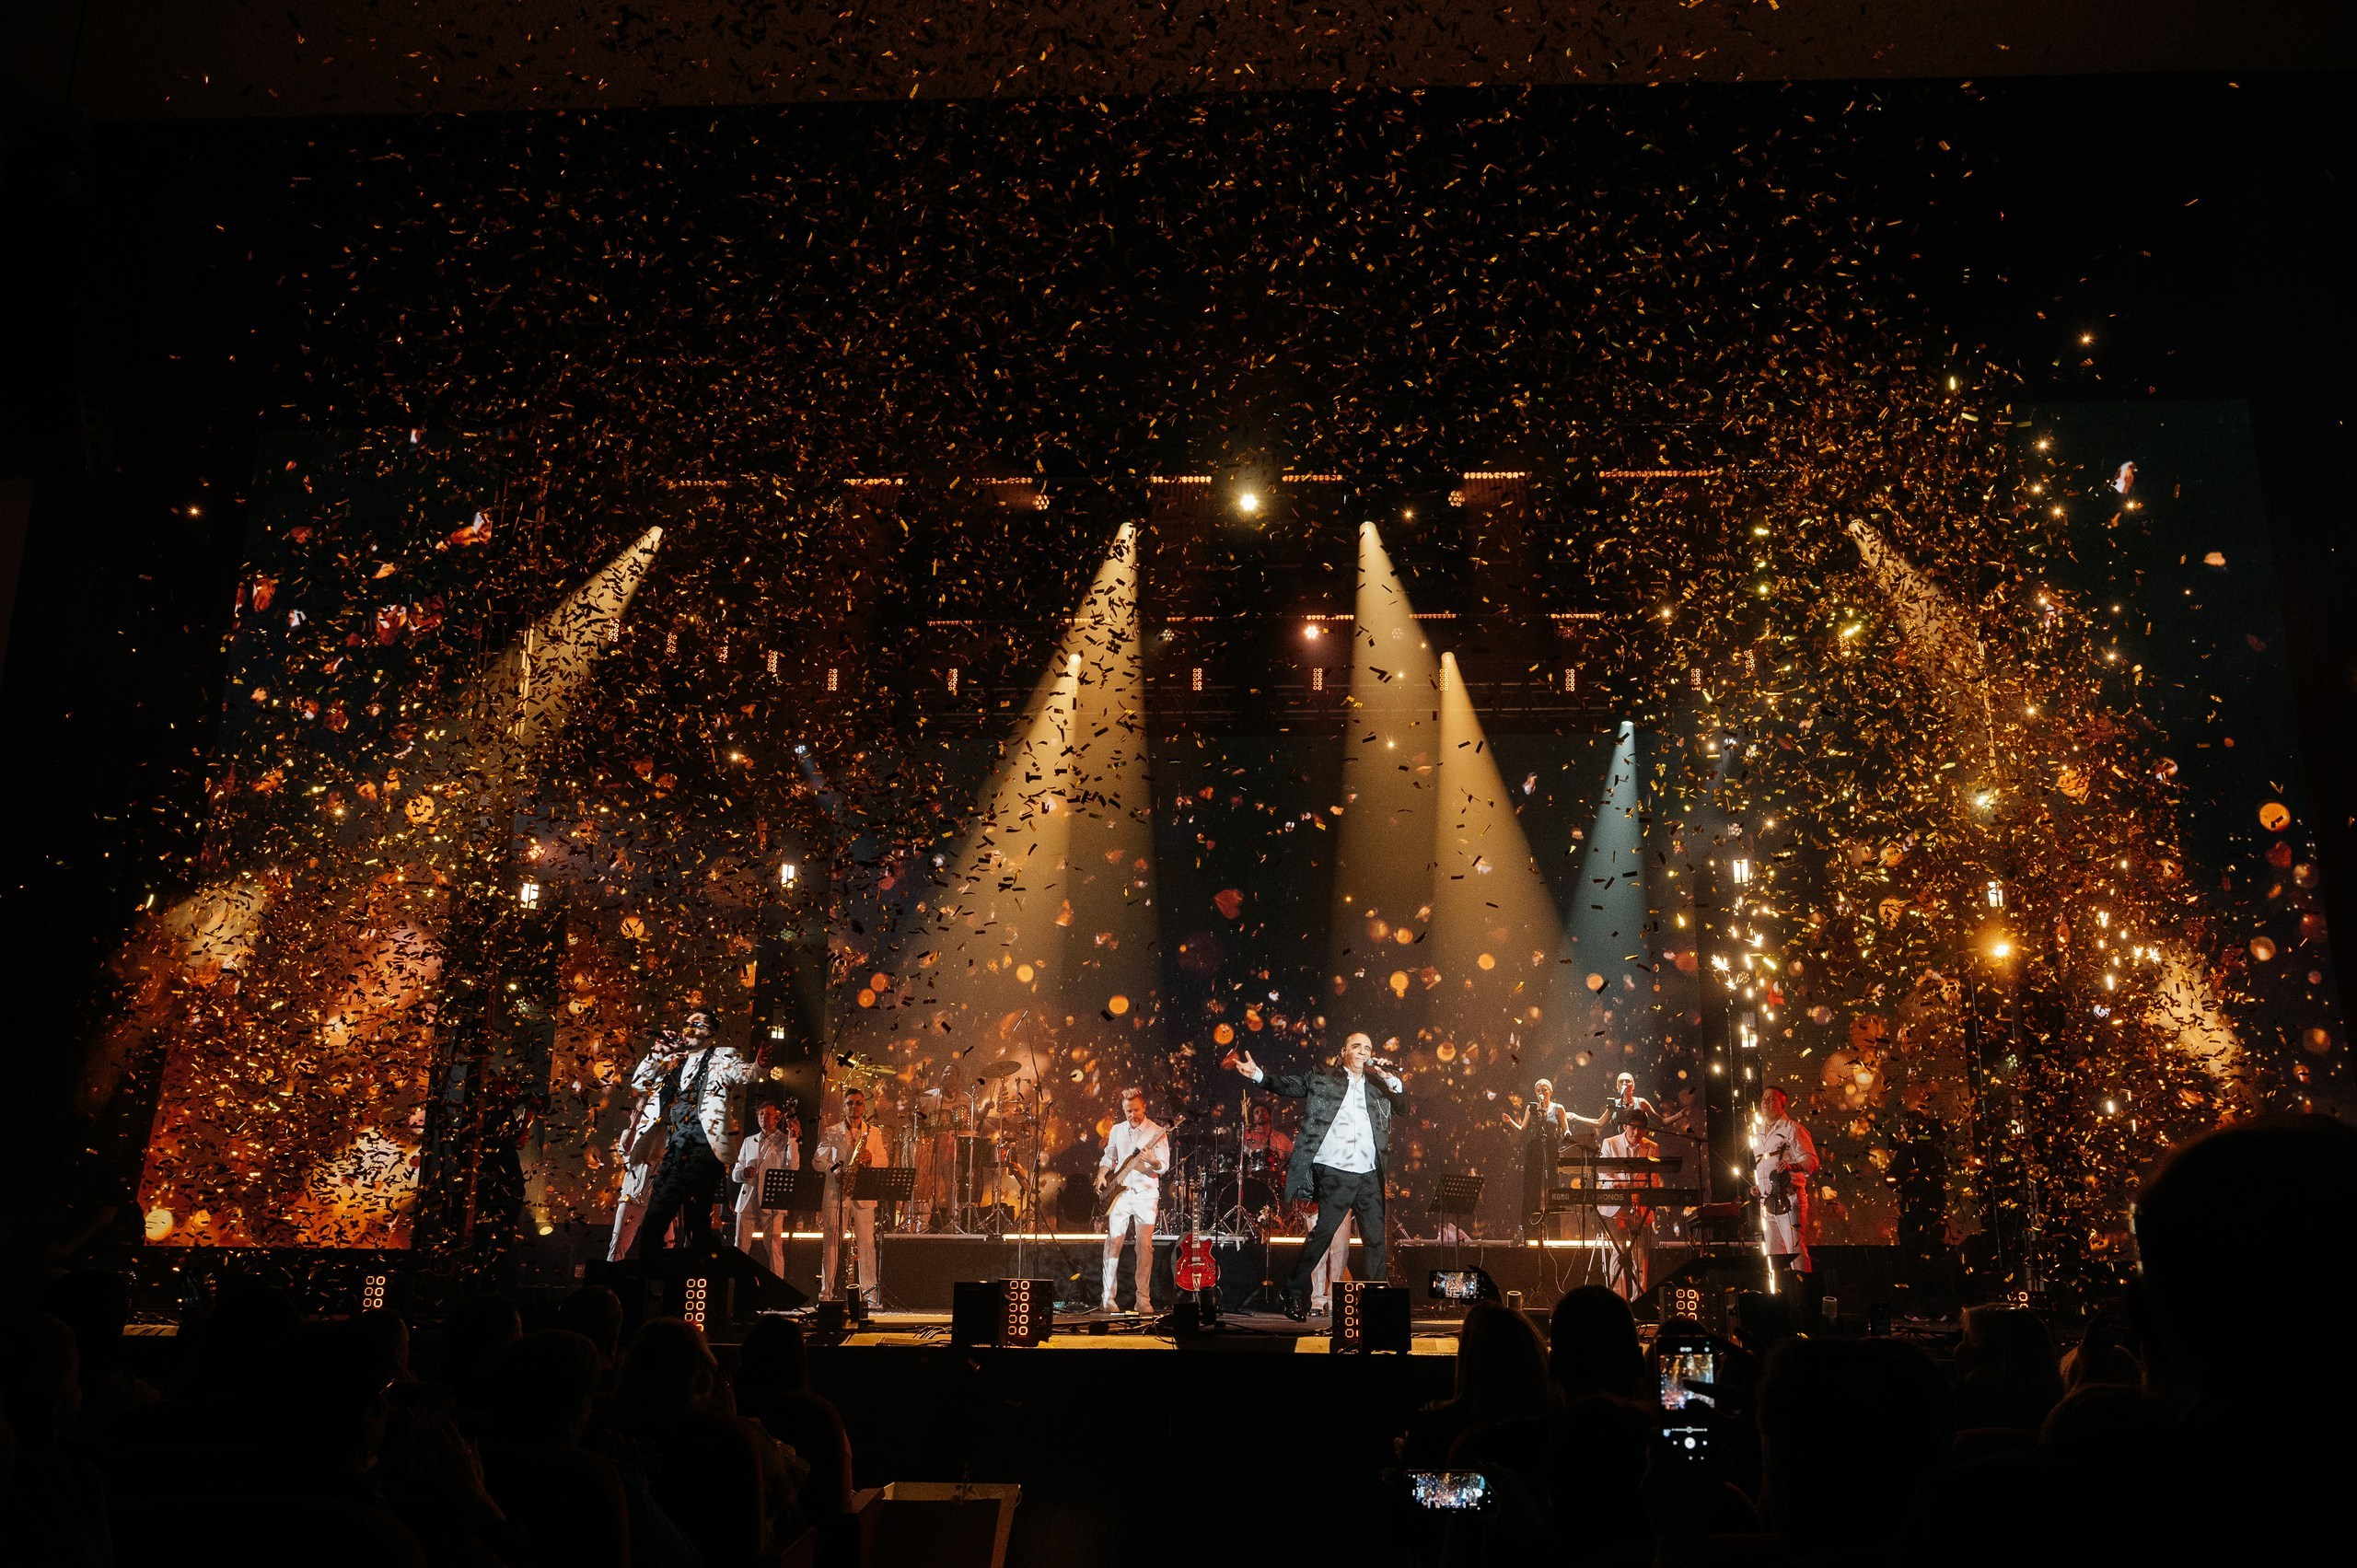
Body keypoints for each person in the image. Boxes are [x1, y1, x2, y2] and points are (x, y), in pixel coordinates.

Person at [1228, 1030, 1406, 1319]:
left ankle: (1377, 1306)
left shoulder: (1377, 1084)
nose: (1363, 1051)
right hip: (1336, 1171)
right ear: (1344, 1051)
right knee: (1323, 1235)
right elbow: (1289, 1085)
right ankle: (1294, 1289)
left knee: (1375, 1241)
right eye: (1356, 1046)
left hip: (1369, 1173)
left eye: (1368, 1047)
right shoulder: (1323, 1077)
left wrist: (1390, 1079)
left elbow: (1403, 1107)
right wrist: (1259, 1075)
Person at [630, 1011, 762, 1260]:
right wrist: (659, 1050)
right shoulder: (673, 1060)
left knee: (696, 1225)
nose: (689, 1028)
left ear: (710, 1033)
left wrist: (759, 1065)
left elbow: (746, 1073)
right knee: (654, 1220)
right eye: (686, 1023)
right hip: (675, 1150)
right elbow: (639, 1084)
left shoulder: (722, 1056)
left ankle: (711, 1282)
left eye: (697, 1024)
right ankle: (647, 1286)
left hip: (704, 1150)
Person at [1095, 1087, 1168, 1313]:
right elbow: (1110, 1156)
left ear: (1144, 1107)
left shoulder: (1157, 1131)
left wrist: (1153, 1161)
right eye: (1128, 1111)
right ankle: (1107, 1298)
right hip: (1120, 1193)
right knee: (1113, 1242)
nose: (1132, 1114)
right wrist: (1101, 1174)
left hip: (1145, 1194)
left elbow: (1163, 1166)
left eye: (1136, 1109)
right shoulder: (1117, 1130)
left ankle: (1142, 1299)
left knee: (1144, 1247)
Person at [814, 1086, 889, 1306]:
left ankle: (870, 1297)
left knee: (867, 1245)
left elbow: (884, 1161)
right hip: (836, 1194)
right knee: (831, 1244)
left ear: (864, 1107)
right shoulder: (831, 1131)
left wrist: (871, 1157)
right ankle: (826, 1295)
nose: (854, 1107)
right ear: (843, 1107)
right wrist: (834, 1169)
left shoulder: (873, 1132)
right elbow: (817, 1161)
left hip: (864, 1195)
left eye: (858, 1103)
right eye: (850, 1103)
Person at [1596, 1105, 1662, 1300]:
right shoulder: (1610, 1143)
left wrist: (1643, 1193)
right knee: (1618, 1254)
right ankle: (1618, 1302)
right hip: (1616, 1207)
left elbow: (1654, 1179)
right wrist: (1613, 1183)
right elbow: (1602, 1173)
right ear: (1625, 1127)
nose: (1636, 1132)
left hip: (1640, 1208)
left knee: (1640, 1257)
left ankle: (1638, 1302)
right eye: (1633, 1128)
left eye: (1641, 1129)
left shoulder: (1652, 1147)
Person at [1750, 1085, 1817, 1275]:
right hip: (1767, 1202)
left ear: (1783, 1104)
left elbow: (1811, 1161)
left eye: (1771, 1099)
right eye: (1764, 1098)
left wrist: (1791, 1167)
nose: (1765, 1102)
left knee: (1795, 1250)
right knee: (1773, 1255)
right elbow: (1764, 1166)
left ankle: (1803, 1293)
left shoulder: (1793, 1129)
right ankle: (1780, 1295)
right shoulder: (1758, 1134)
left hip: (1790, 1198)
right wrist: (1759, 1186)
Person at [730, 1101, 801, 1276]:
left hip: (772, 1201)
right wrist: (743, 1174)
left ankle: (778, 1290)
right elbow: (735, 1172)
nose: (764, 1117)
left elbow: (793, 1167)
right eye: (761, 1114)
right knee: (740, 1246)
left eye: (768, 1114)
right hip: (748, 1200)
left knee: (774, 1246)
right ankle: (736, 1287)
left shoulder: (785, 1140)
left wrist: (792, 1140)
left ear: (777, 1118)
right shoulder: (749, 1141)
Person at [1503, 1077, 1570, 1237]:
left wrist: (1567, 1134)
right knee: (1532, 1185)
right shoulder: (1531, 1108)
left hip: (1551, 1147)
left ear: (1550, 1092)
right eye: (1538, 1090)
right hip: (1534, 1148)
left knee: (1552, 1185)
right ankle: (1530, 1230)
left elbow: (1565, 1128)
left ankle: (1553, 1230)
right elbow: (1522, 1129)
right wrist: (1511, 1122)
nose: (1541, 1092)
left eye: (1544, 1089)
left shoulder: (1558, 1108)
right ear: (1535, 1093)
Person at [1566, 1070, 1657, 1141]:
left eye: (1627, 1081)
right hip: (1618, 1144)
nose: (1624, 1083)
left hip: (1637, 1143)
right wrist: (1576, 1117)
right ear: (1617, 1086)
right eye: (1622, 1081)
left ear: (1633, 1086)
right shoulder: (1614, 1104)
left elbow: (1661, 1121)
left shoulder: (1641, 1102)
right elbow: (1599, 1123)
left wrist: (1672, 1118)